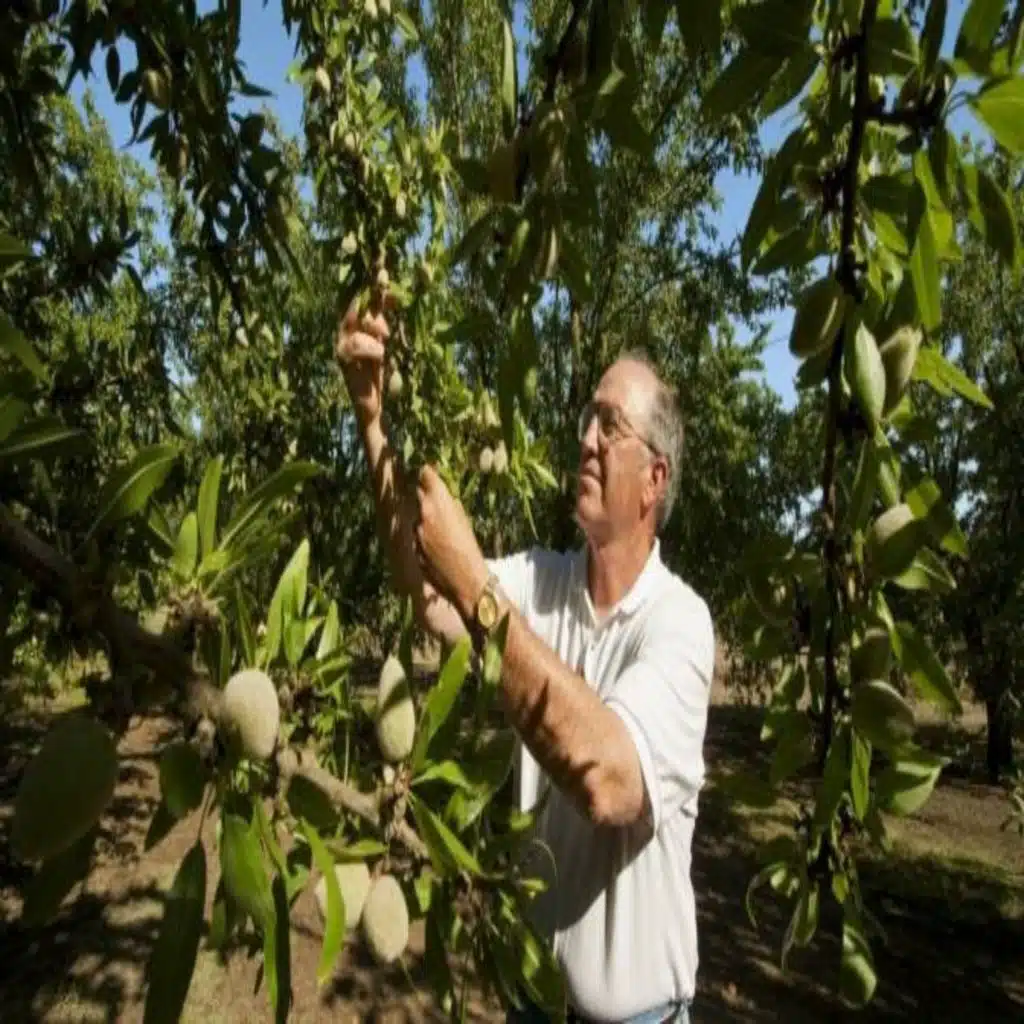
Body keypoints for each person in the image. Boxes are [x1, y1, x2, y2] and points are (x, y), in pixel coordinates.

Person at [334, 297, 715, 1024]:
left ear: (655, 480)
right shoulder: (543, 584)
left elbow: (609, 781)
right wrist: (371, 418)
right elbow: (426, 593)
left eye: (611, 426)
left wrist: (476, 587)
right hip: (533, 1003)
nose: (587, 440)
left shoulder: (680, 623)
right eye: (588, 420)